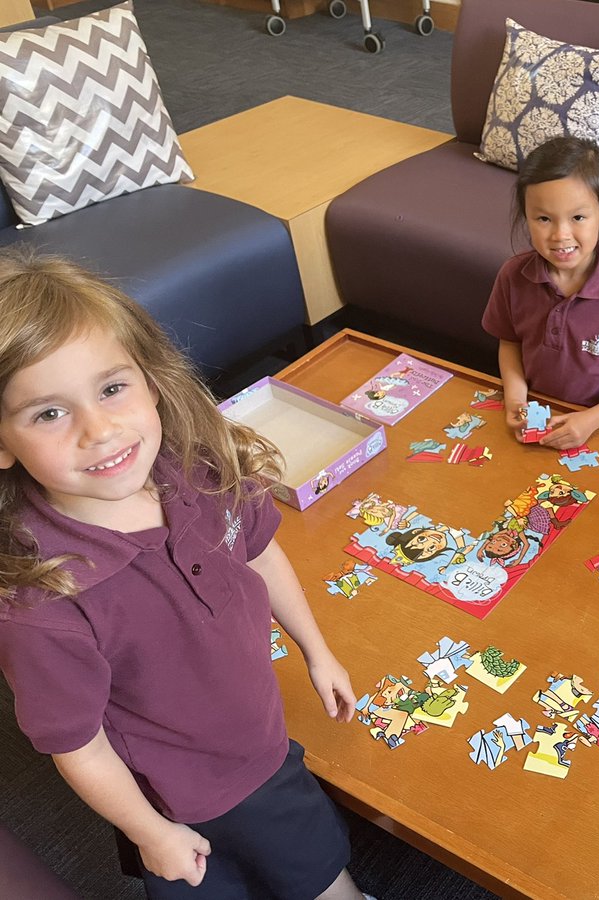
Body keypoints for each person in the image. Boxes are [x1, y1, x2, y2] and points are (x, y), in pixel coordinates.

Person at [0, 251, 372, 899]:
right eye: (48, 413)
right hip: (168, 798)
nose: (99, 429)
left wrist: (318, 651)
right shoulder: (40, 605)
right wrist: (150, 832)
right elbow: (79, 747)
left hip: (261, 742)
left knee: (316, 872)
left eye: (112, 388)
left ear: (149, 378)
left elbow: (260, 554)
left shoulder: (196, 467)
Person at [482, 136, 599, 450]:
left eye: (578, 217)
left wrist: (591, 420)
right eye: (543, 219)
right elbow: (510, 342)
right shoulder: (512, 276)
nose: (560, 235)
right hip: (535, 418)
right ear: (525, 216)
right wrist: (515, 399)